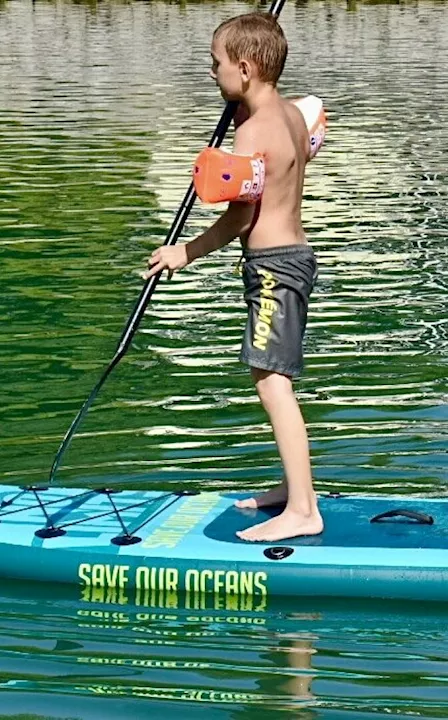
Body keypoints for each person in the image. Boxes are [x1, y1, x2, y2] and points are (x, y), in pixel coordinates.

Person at [145, 13, 326, 542]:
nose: (212, 72)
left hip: (274, 268)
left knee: (273, 383)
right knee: (269, 377)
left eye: (216, 63)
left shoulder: (252, 130)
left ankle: (304, 511)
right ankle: (293, 488)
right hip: (291, 257)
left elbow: (241, 217)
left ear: (244, 69)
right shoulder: (289, 114)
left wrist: (187, 251)